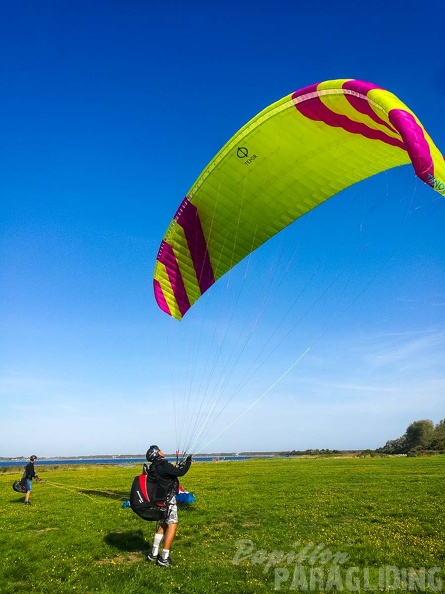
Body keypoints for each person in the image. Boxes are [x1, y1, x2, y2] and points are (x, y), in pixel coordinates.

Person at [145, 445, 192, 567]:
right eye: (159, 450)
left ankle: (154, 554)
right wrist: (188, 462)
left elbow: (169, 474)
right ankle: (164, 558)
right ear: (157, 453)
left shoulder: (153, 467)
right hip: (168, 500)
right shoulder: (163, 465)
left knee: (163, 524)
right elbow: (180, 472)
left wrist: (175, 468)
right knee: (172, 525)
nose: (162, 450)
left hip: (158, 501)